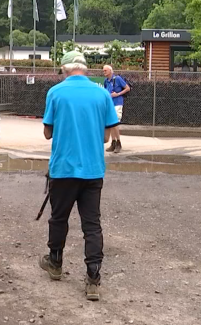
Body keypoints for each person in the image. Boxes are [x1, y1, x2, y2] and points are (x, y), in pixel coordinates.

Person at [39, 51, 119, 302]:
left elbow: (47, 133)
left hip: (63, 168)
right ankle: (93, 278)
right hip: (93, 168)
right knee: (92, 224)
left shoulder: (56, 92)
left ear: (65, 68)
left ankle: (55, 263)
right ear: (85, 69)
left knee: (58, 218)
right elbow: (107, 137)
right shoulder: (102, 94)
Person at [102, 65, 130, 153]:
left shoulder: (117, 79)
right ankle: (113, 143)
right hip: (110, 104)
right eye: (103, 71)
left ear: (110, 71)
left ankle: (118, 143)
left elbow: (127, 88)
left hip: (117, 102)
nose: (104, 72)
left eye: (105, 70)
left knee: (115, 123)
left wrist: (117, 94)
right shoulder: (106, 81)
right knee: (111, 123)